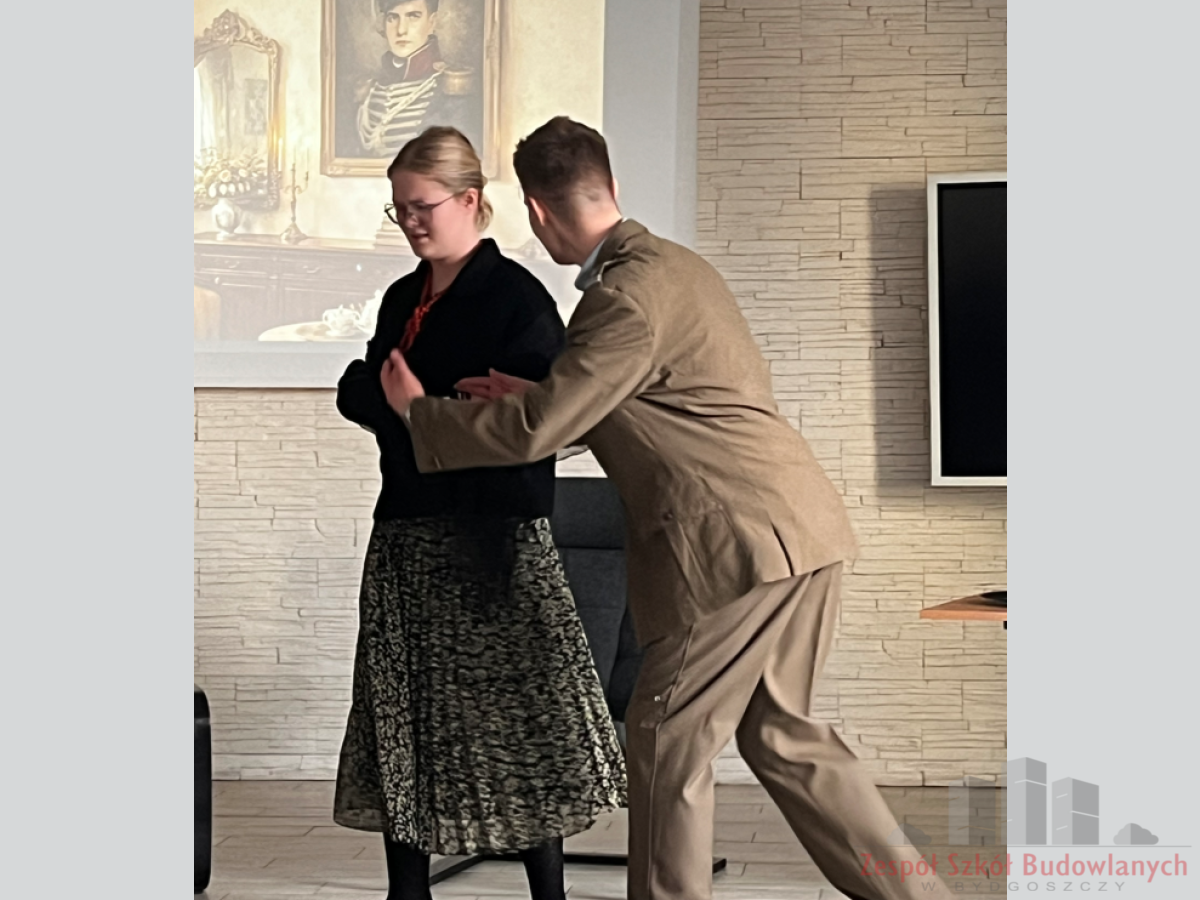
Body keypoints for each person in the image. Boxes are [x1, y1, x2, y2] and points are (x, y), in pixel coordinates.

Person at [377, 117, 954, 900]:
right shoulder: (676, 267)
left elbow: (540, 429)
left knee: (663, 737)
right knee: (784, 738)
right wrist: (545, 396)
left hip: (731, 548)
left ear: (537, 212)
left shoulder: (621, 299)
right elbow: (659, 402)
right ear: (610, 187)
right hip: (798, 530)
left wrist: (420, 414)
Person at [332, 125, 626, 900]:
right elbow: (357, 388)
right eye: (399, 210)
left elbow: (534, 424)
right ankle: (407, 890)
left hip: (494, 537)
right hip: (405, 529)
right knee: (401, 715)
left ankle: (548, 894)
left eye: (422, 206)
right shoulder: (402, 297)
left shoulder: (516, 298)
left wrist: (413, 406)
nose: (410, 223)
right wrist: (421, 407)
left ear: (470, 200)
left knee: (516, 721)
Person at [356, 0, 466, 157]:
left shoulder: (452, 91)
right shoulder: (368, 90)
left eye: (413, 16)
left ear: (432, 22)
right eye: (392, 18)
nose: (401, 30)